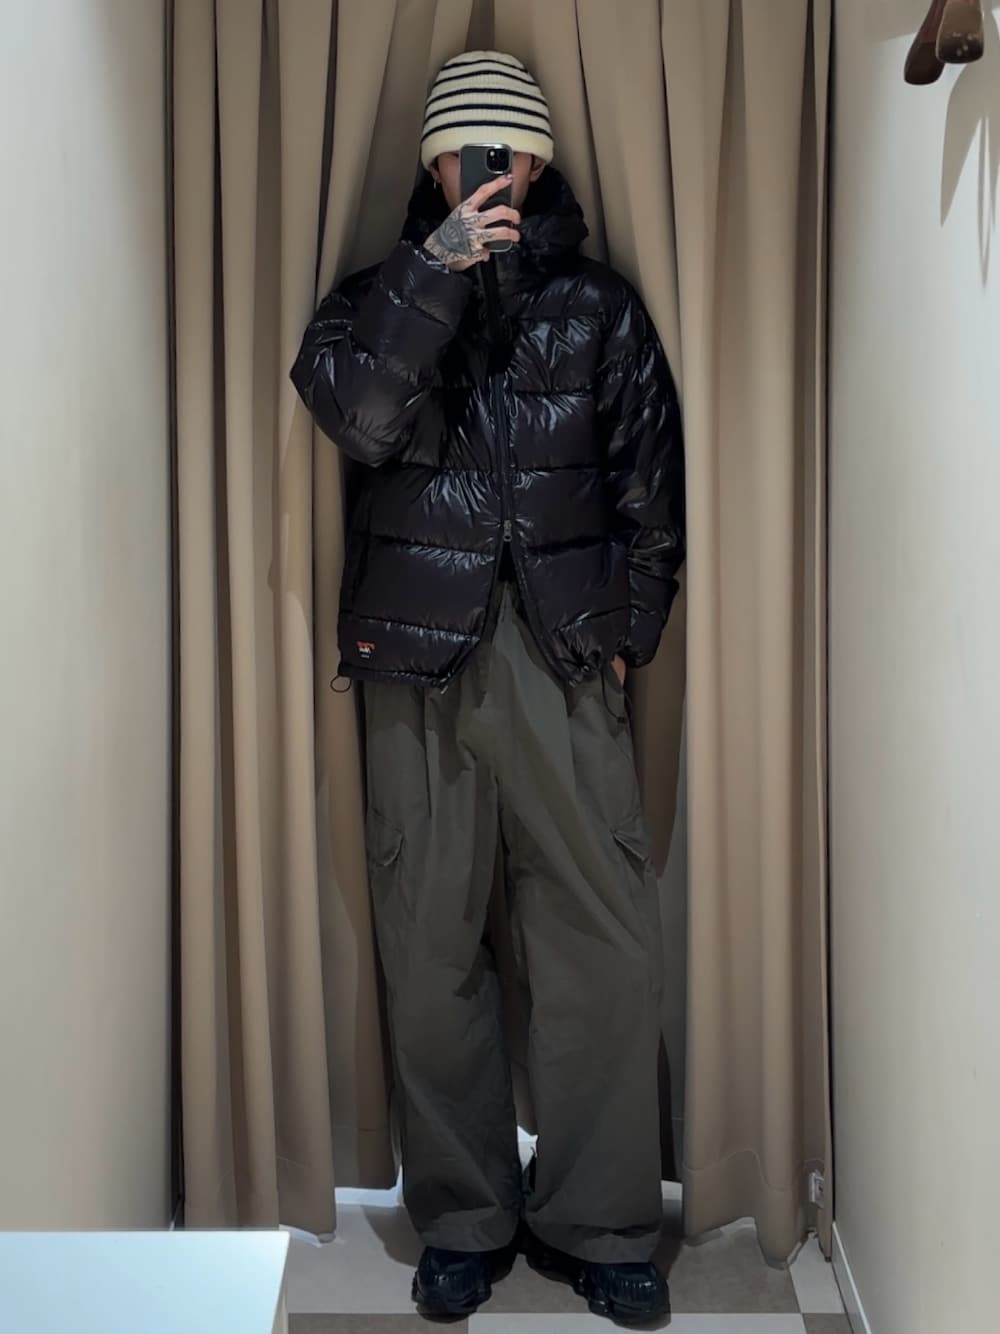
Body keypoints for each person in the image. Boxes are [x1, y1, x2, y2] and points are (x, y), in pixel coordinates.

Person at [292, 49, 684, 1326]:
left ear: (541, 161)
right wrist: (434, 271)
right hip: (416, 660)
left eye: (507, 153)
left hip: (563, 656)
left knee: (601, 944)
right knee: (428, 944)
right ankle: (462, 1216)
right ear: (429, 163)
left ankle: (603, 1219)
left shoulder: (599, 309)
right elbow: (358, 418)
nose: (488, 174)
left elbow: (649, 487)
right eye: (466, 152)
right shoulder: (371, 300)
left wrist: (625, 629)